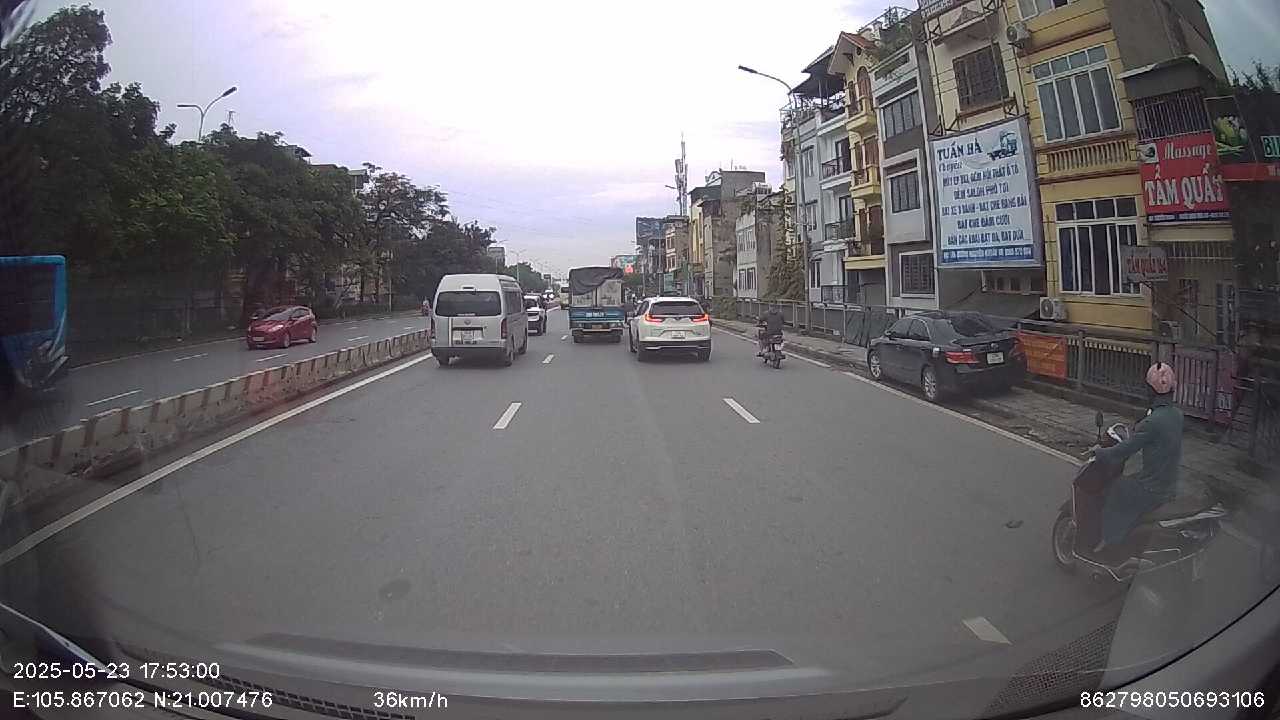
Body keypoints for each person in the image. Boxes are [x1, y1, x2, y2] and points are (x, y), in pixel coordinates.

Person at [1091, 362, 1183, 557]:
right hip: (1169, 484)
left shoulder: (1152, 422)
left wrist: (1100, 453)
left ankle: (1109, 543)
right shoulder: (1177, 415)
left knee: (1115, 489)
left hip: (1152, 487)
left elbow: (1124, 450)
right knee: (1130, 481)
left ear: (1149, 391)